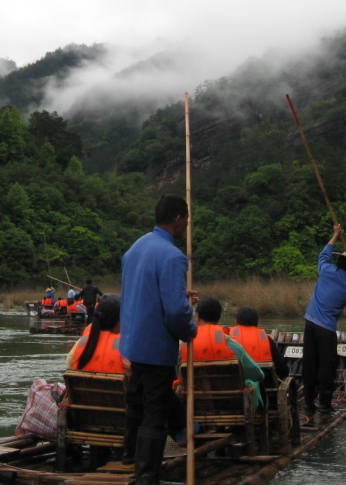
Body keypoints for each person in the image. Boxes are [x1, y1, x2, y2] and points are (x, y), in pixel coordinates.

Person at [120, 195, 197, 485]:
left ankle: (131, 454)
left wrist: (180, 297)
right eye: (186, 219)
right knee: (154, 413)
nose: (187, 224)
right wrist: (189, 329)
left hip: (132, 342)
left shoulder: (136, 248)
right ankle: (147, 477)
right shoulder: (173, 256)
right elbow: (176, 313)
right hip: (155, 347)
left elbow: (145, 292)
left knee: (139, 402)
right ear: (178, 219)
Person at [302, 223, 346, 414]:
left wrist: (335, 235)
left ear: (339, 262)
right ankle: (324, 405)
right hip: (327, 329)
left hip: (310, 323)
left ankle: (307, 404)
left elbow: (324, 254)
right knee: (327, 366)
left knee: (310, 363)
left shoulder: (326, 270)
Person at [182, 298, 264, 390]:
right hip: (228, 397)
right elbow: (256, 373)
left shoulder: (185, 343)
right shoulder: (231, 344)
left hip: (193, 395)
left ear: (198, 318)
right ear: (219, 318)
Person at [67, 294, 125, 372]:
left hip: (82, 383)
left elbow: (69, 363)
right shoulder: (126, 344)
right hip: (115, 382)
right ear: (118, 321)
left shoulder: (82, 341)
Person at [230, 306, 286, 384]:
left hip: (235, 386)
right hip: (265, 388)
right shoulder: (267, 340)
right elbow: (283, 370)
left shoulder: (229, 339)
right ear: (256, 323)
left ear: (236, 322)